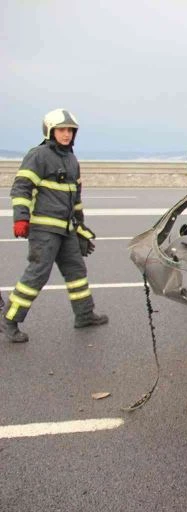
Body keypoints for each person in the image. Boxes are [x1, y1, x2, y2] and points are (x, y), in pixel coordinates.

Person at [2, 109, 108, 343]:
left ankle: (84, 315)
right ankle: (9, 320)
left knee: (76, 272)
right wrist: (21, 218)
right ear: (50, 131)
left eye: (70, 130)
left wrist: (80, 229)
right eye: (61, 130)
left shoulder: (71, 160)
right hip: (44, 230)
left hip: (66, 230)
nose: (66, 134)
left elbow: (75, 199)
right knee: (37, 275)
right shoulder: (38, 155)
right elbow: (21, 188)